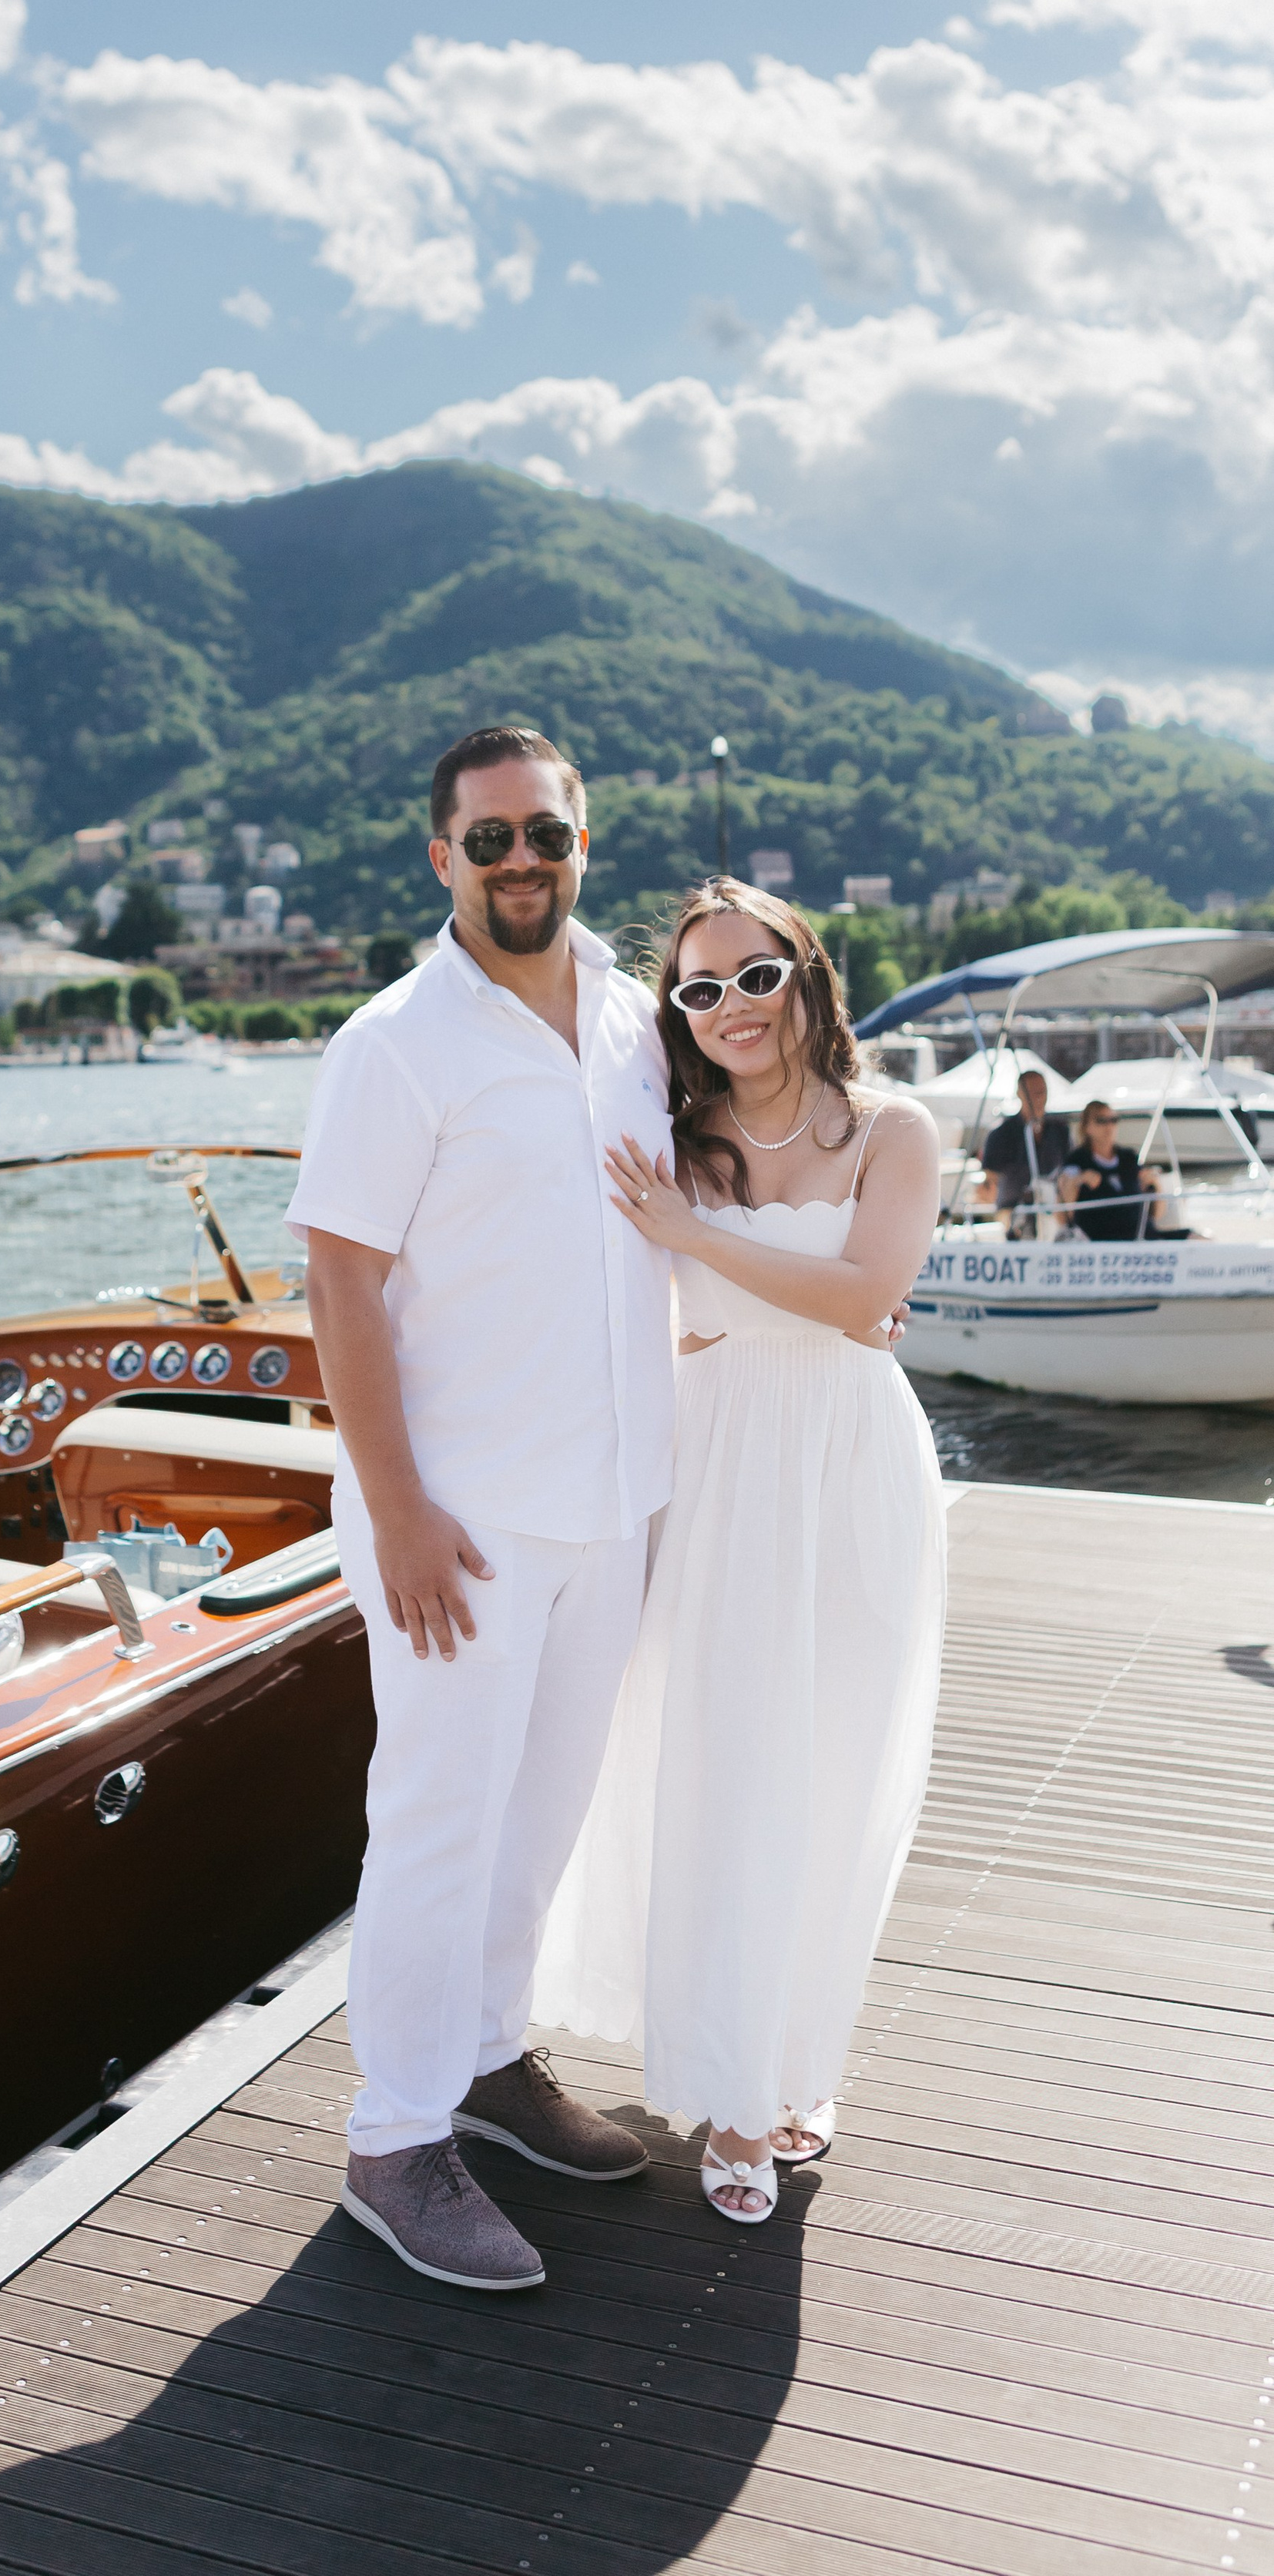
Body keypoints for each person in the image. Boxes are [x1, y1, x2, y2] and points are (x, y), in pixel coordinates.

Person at [287, 724, 676, 2292]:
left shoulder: (642, 1025)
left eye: (547, 836)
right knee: (435, 1821)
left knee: (544, 1808)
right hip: (456, 1519)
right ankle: (393, 2138)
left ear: (584, 844)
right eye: (491, 839)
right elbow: (338, 1283)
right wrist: (392, 1512)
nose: (523, 863)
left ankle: (492, 2063)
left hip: (610, 1499)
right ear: (438, 855)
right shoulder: (393, 1043)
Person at [534, 879, 946, 2226]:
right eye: (698, 991)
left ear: (804, 972)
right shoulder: (673, 1139)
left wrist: (699, 1245)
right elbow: (609, 1307)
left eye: (752, 976)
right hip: (715, 1473)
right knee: (722, 1769)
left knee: (835, 1773)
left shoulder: (892, 1132)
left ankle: (789, 2061)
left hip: (852, 1472)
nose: (730, 1010)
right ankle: (725, 2095)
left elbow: (866, 1295)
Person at [979, 1068, 1069, 1235]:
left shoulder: (1060, 1130)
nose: (1039, 1097)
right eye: (1033, 1092)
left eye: (1042, 1092)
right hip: (1013, 1212)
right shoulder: (1001, 1133)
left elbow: (1069, 1169)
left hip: (1052, 1211)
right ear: (1020, 1094)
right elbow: (990, 1182)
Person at [1059, 1100, 1164, 1240]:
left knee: (1196, 1239)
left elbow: (1157, 1215)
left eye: (1113, 1120)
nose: (1109, 1126)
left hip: (1143, 1236)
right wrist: (1078, 1180)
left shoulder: (1129, 1158)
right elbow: (1062, 1217)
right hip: (1103, 1240)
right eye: (1101, 1121)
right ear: (1087, 1127)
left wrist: (1155, 1184)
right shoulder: (1077, 1161)